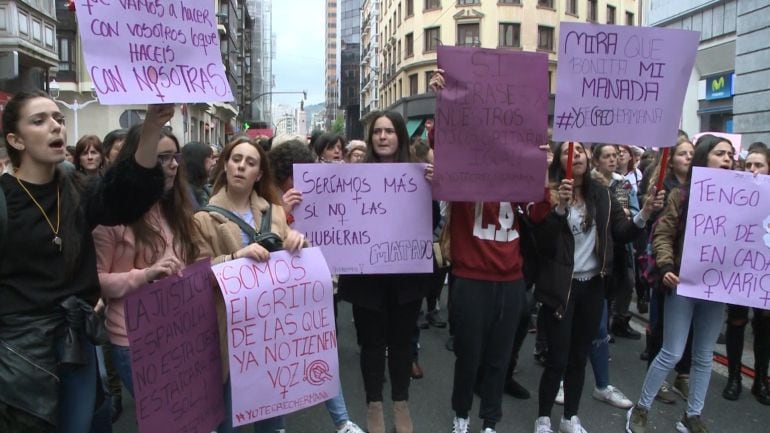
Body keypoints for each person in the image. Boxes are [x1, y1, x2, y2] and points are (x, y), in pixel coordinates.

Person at [0, 90, 171, 433]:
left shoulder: (78, 189)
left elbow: (127, 197)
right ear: (15, 140)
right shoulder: (4, 198)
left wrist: (152, 125)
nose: (55, 127)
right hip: (19, 355)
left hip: (77, 341)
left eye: (58, 119)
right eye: (39, 121)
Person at [532, 141, 664, 433]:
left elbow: (621, 232)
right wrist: (559, 209)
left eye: (579, 150)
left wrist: (644, 213)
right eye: (568, 151)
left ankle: (570, 417)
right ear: (559, 161)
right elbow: (543, 245)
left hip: (592, 287)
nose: (575, 154)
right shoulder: (548, 194)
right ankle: (543, 418)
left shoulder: (602, 194)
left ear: (587, 157)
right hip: (561, 289)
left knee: (579, 356)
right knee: (558, 358)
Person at [192, 136, 304, 433]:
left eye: (250, 162)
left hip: (271, 331)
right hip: (227, 332)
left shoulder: (275, 212)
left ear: (259, 174)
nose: (242, 166)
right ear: (225, 166)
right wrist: (235, 257)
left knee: (271, 416)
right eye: (236, 159)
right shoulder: (202, 219)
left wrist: (296, 240)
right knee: (227, 419)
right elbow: (197, 274)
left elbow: (292, 262)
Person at [626, 135, 736, 433]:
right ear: (704, 158)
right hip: (683, 283)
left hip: (717, 288)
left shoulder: (744, 197)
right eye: (719, 154)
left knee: (703, 355)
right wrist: (666, 267)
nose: (726, 159)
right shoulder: (683, 195)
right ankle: (641, 408)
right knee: (672, 351)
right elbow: (662, 234)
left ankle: (692, 414)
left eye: (730, 155)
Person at [338, 111, 432, 433]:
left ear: (399, 137)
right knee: (372, 343)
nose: (382, 136)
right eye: (377, 131)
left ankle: (401, 403)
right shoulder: (354, 175)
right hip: (367, 277)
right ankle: (374, 404)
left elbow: (430, 221)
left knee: (403, 342)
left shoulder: (420, 175)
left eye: (389, 131)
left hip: (406, 274)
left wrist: (434, 188)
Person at [267, 139, 366, 433]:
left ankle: (343, 421)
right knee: (276, 364)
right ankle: (277, 424)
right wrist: (282, 213)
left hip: (309, 290)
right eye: (296, 177)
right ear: (283, 176)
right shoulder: (266, 201)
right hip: (274, 297)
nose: (303, 184)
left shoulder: (314, 196)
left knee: (321, 350)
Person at [92, 128, 195, 397]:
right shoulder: (111, 216)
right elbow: (96, 281)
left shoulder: (177, 209)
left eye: (176, 157)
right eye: (162, 158)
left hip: (178, 331)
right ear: (139, 164)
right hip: (135, 338)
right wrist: (145, 275)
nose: (172, 165)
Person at [639, 137, 695, 404]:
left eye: (691, 153)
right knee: (659, 322)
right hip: (666, 266)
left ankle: (683, 375)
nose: (688, 157)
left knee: (690, 324)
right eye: (682, 154)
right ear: (671, 160)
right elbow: (657, 227)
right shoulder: (664, 187)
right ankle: (656, 377)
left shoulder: (703, 186)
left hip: (693, 267)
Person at [722, 146, 770, 405]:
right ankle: (734, 378)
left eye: (759, 165)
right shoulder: (732, 192)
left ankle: (761, 379)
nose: (753, 169)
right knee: (737, 322)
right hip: (739, 268)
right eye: (749, 164)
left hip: (765, 272)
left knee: (764, 325)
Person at [181, 141, 215, 209]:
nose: (213, 162)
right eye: (210, 157)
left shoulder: (203, 187)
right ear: (199, 160)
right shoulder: (186, 193)